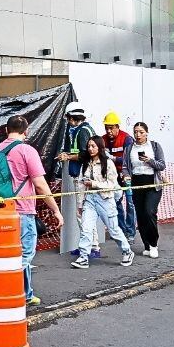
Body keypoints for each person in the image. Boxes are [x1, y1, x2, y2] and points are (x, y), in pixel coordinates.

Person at [0, 115, 63, 307]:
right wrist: (56, 210)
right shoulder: (27, 151)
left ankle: (26, 293)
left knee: (8, 253)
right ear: (26, 131)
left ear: (6, 130)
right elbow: (40, 184)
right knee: (24, 255)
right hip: (22, 210)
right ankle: (5, 293)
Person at [70, 138, 134, 269]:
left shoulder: (108, 163)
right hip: (90, 199)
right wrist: (80, 204)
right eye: (89, 146)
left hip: (105, 200)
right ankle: (83, 256)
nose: (90, 149)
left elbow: (112, 184)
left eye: (93, 146)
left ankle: (127, 251)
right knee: (86, 228)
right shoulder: (86, 163)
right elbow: (82, 185)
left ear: (99, 147)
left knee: (113, 230)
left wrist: (94, 184)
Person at [58, 102, 101, 257]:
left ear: (73, 117)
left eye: (68, 118)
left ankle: (91, 248)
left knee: (82, 212)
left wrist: (67, 156)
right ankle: (89, 246)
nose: (67, 121)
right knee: (84, 212)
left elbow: (84, 154)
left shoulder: (82, 132)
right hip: (83, 175)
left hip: (84, 176)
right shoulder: (80, 130)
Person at [123, 122, 166, 258]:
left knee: (149, 212)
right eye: (136, 132)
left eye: (141, 132)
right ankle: (146, 245)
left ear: (147, 133)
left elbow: (162, 165)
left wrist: (149, 160)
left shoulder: (154, 146)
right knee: (141, 216)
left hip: (152, 183)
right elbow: (125, 166)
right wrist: (126, 175)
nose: (138, 135)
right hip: (137, 182)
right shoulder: (129, 148)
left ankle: (154, 244)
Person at [100, 111, 137, 241]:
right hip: (113, 177)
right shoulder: (102, 140)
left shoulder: (126, 139)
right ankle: (121, 229)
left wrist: (113, 159)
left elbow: (130, 159)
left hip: (126, 175)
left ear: (117, 127)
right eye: (107, 128)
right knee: (116, 203)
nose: (109, 131)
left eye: (111, 128)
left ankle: (131, 232)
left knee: (131, 203)